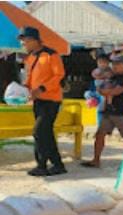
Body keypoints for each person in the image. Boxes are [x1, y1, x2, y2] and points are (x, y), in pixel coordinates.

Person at [19, 26, 67, 177]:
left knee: (39, 132)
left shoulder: (51, 55)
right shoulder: (30, 57)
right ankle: (58, 165)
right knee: (45, 132)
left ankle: (41, 165)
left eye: (25, 41)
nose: (23, 44)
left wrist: (42, 88)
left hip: (51, 100)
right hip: (38, 100)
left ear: (34, 40)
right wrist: (24, 89)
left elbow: (58, 75)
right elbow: (29, 78)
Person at [81, 55, 123, 168]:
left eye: (118, 64)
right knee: (99, 135)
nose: (115, 66)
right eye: (113, 64)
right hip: (108, 111)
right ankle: (96, 160)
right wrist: (105, 91)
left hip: (121, 113)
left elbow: (115, 91)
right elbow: (101, 89)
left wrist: (105, 91)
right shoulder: (111, 77)